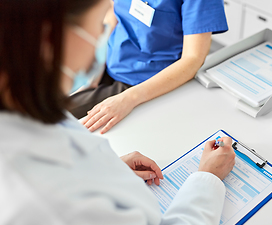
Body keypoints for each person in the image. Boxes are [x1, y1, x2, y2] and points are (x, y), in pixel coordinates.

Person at [0, 0, 236, 225]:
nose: (101, 39)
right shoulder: (53, 209)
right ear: (54, 36)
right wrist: (208, 179)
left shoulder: (26, 118)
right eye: (98, 25)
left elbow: (193, 57)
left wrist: (99, 171)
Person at [69, 0, 228, 134]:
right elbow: (113, 13)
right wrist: (96, 64)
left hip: (146, 82)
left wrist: (128, 99)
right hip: (109, 61)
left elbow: (193, 58)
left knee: (63, 117)